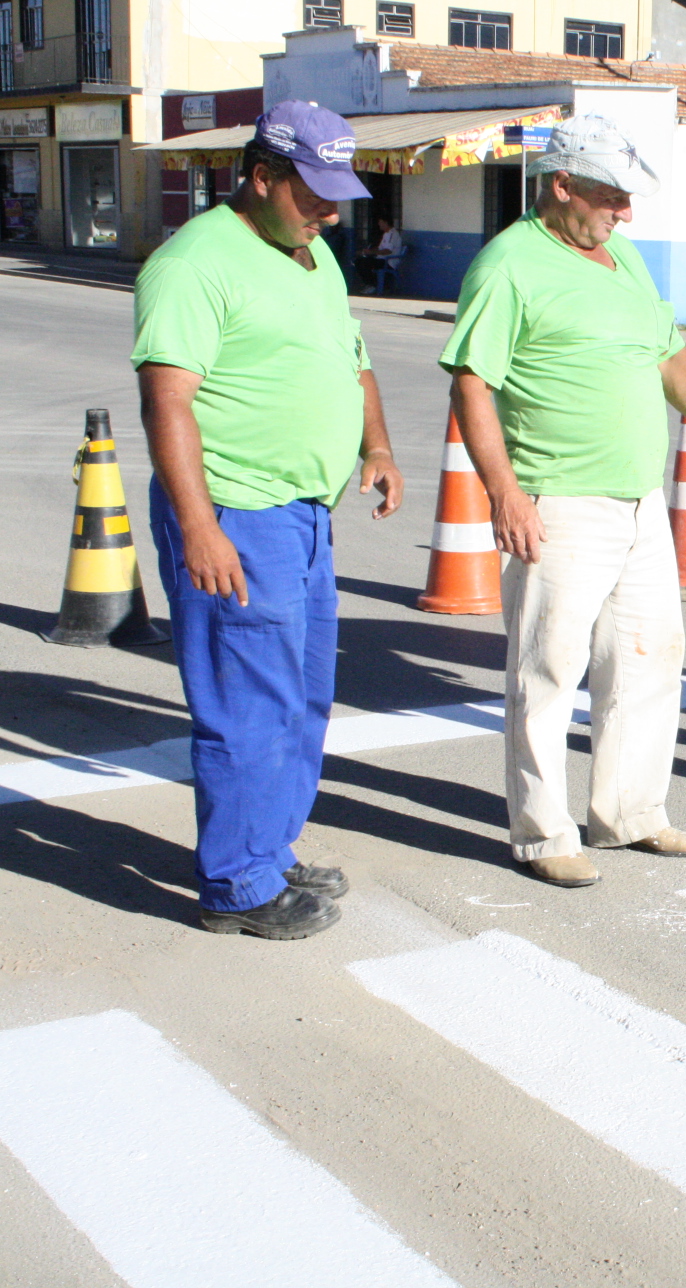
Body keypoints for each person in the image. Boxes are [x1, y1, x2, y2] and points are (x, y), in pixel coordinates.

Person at [441, 114, 686, 889]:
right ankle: (542, 831)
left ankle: (630, 812)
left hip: (637, 501)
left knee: (649, 658)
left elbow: (668, 354)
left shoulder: (619, 257)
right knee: (547, 670)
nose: (627, 214)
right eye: (613, 197)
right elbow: (472, 385)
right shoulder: (507, 266)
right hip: (557, 499)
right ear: (562, 187)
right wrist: (506, 494)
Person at [133, 100, 405, 939]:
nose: (330, 210)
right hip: (236, 512)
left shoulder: (312, 254)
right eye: (314, 192)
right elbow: (166, 402)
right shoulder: (194, 264)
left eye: (337, 194)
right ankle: (240, 887)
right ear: (261, 176)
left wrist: (378, 448)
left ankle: (270, 848)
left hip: (304, 517)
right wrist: (201, 528)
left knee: (300, 698)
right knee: (246, 704)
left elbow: (352, 360)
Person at [356, 215, 402, 294]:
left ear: (386, 223)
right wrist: (367, 251)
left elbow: (387, 251)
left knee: (365, 263)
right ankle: (370, 283)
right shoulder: (386, 234)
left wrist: (372, 252)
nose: (379, 224)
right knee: (358, 261)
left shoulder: (393, 234)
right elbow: (380, 248)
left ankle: (373, 285)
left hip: (388, 262)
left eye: (380, 222)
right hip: (381, 259)